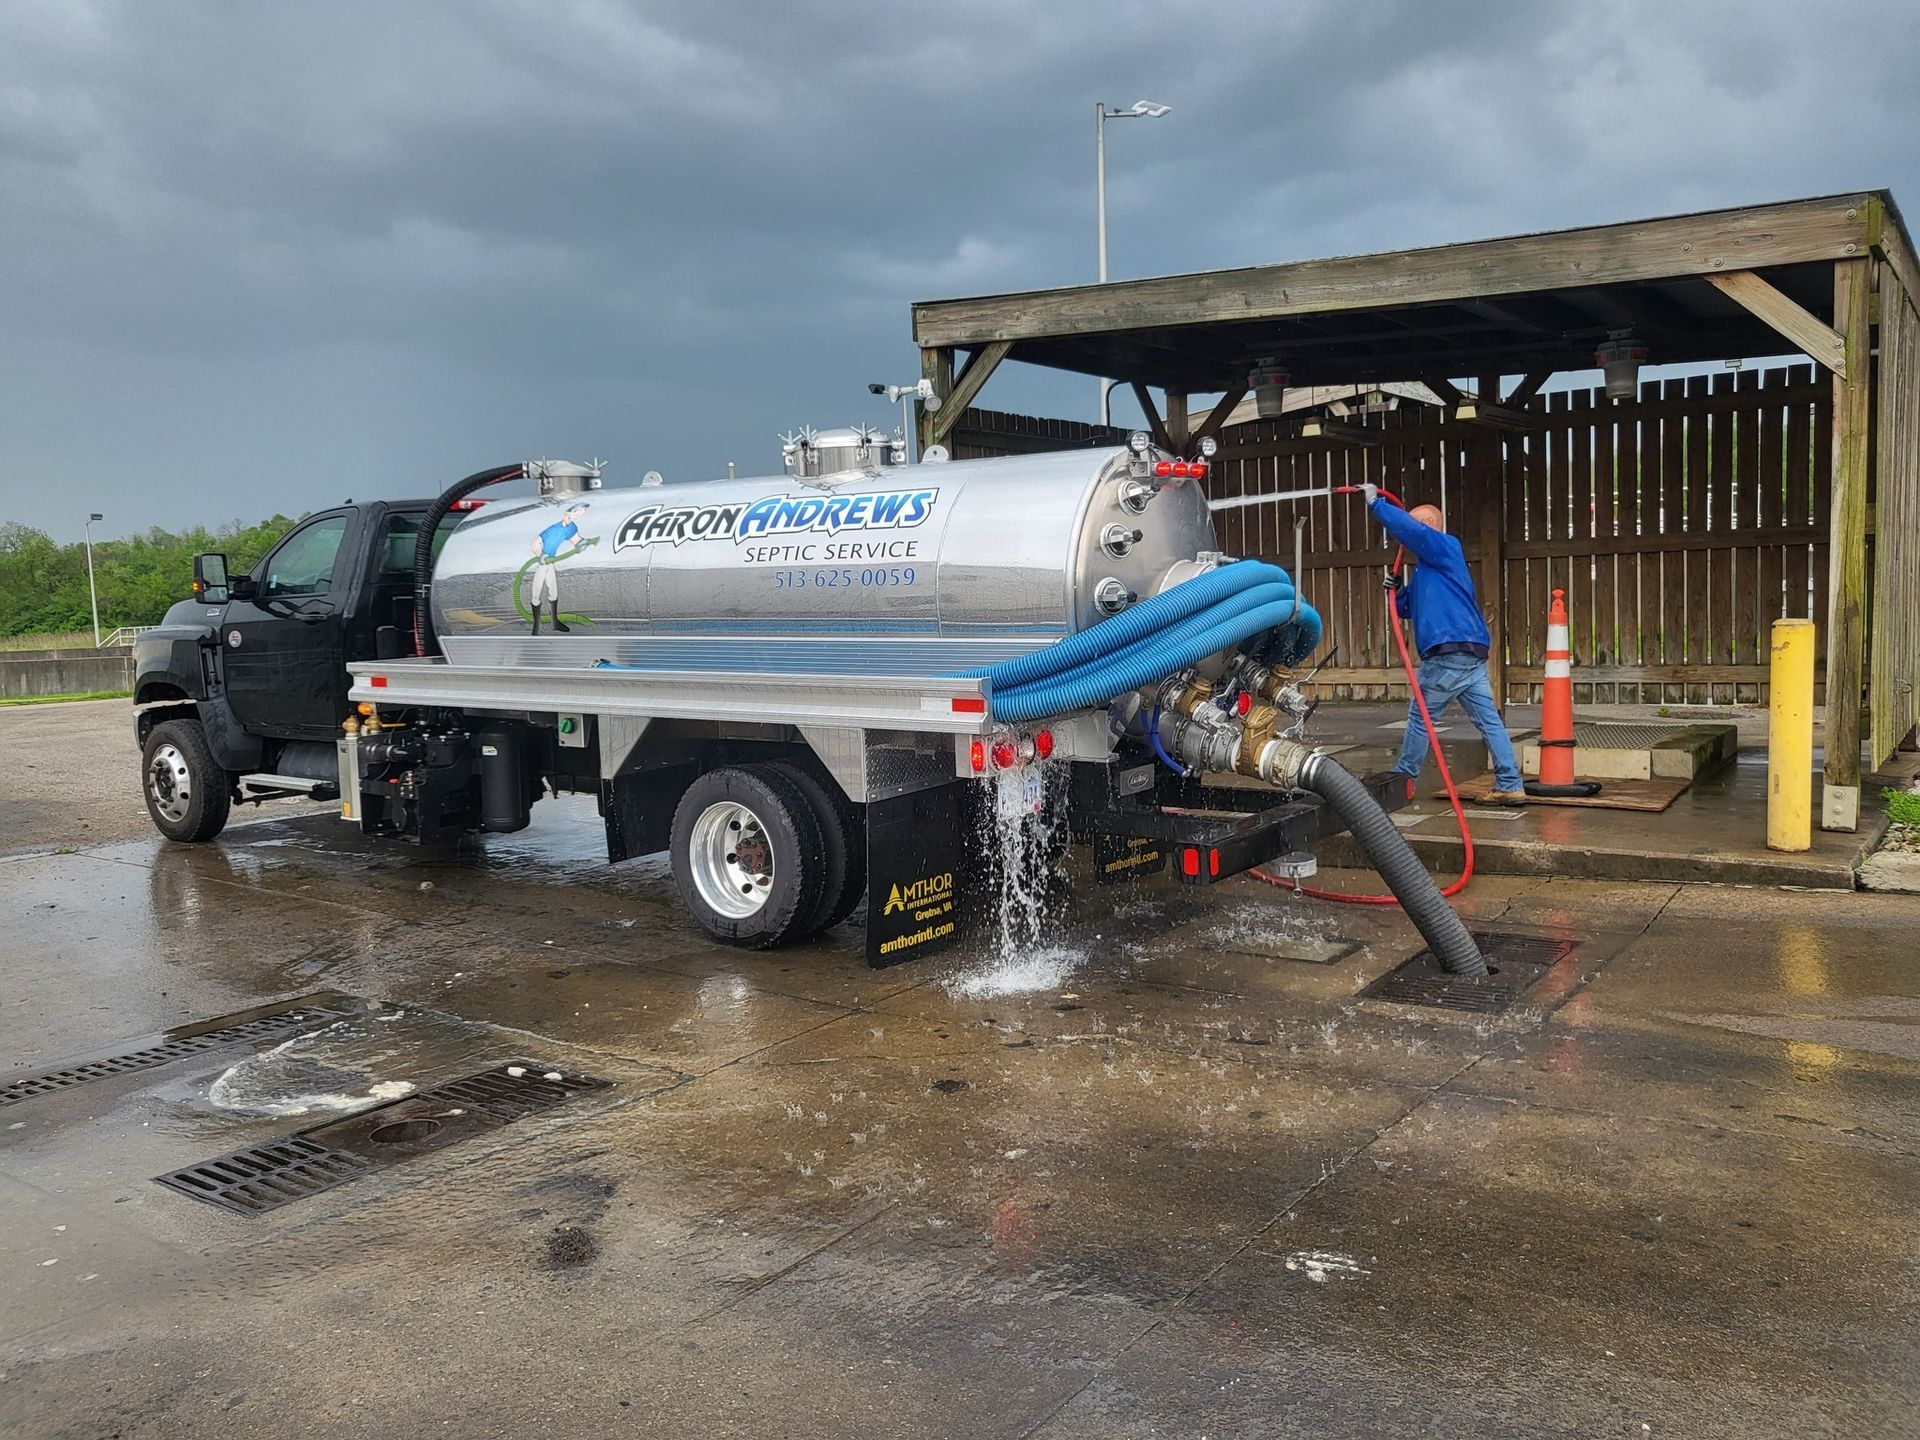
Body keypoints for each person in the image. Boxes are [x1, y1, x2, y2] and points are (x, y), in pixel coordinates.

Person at [1359, 484, 1525, 802]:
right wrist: (1394, 590)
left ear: (1432, 527)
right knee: (1488, 720)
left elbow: (1410, 530)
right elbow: (1407, 609)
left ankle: (1402, 780)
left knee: (1421, 716)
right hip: (1469, 652)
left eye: (1418, 524)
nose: (1413, 531)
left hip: (1449, 652)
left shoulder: (1446, 547)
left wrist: (1377, 506)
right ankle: (1509, 783)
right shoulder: (1427, 570)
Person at [529, 503, 587, 635]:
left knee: (553, 591)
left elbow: (577, 540)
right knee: (536, 592)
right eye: (577, 512)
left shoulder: (572, 528)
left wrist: (583, 544)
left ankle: (554, 622)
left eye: (581, 513)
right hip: (543, 562)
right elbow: (536, 542)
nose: (578, 515)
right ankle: (537, 625)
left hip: (551, 562)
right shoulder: (553, 529)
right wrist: (540, 555)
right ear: (567, 513)